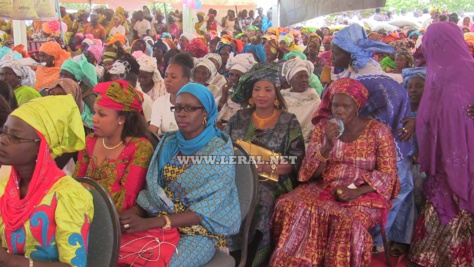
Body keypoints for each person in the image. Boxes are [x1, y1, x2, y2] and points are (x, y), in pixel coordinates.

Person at [270, 78, 399, 266]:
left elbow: (389, 174)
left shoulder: (379, 131)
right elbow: (310, 172)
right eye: (335, 105)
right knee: (288, 204)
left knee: (348, 221)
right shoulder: (324, 128)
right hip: (325, 184)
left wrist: (356, 191)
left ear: (357, 106)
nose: (339, 110)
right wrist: (328, 145)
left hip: (365, 191)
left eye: (346, 106)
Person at [119, 83, 241, 266]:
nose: (181, 113)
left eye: (190, 108)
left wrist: (151, 223)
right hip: (157, 219)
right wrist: (132, 215)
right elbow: (153, 190)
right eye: (178, 107)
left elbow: (205, 210)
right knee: (110, 248)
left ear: (205, 112)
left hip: (200, 232)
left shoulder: (219, 151)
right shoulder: (169, 142)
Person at [328, 23, 415, 250]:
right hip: (388, 152)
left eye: (335, 52)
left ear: (349, 53)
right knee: (399, 190)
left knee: (391, 191)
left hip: (378, 154)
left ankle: (374, 241)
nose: (331, 56)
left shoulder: (363, 82)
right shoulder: (370, 73)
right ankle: (379, 240)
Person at [225, 63, 305, 266]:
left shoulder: (289, 121)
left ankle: (253, 256)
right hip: (236, 176)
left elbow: (296, 158)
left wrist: (264, 168)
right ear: (251, 93)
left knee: (261, 200)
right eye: (257, 89)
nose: (262, 94)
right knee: (225, 195)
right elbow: (223, 149)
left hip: (274, 181)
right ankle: (230, 252)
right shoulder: (238, 118)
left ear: (276, 93)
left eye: (268, 89)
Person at [408, 22, 474, 267]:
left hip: (465, 151)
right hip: (443, 153)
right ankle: (437, 255)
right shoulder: (437, 72)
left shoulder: (469, 69)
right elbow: (430, 113)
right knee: (440, 197)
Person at [0, 95, 93, 266]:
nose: (3, 141)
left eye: (15, 137)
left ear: (41, 146)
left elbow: (74, 265)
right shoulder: (5, 188)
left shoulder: (68, 195)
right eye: (4, 132)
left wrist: (12, 261)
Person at [73, 80, 154, 213]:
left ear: (121, 119)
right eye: (95, 112)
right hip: (78, 212)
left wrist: (88, 191)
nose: (94, 119)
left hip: (112, 220)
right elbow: (76, 182)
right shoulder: (90, 141)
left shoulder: (140, 148)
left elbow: (126, 201)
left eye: (102, 114)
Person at [280, 58, 321, 147]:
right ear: (290, 80)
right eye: (299, 77)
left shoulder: (314, 98)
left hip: (306, 144)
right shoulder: (282, 97)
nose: (304, 80)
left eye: (306, 76)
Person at [149, 53, 192, 136]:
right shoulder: (159, 103)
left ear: (185, 80)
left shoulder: (195, 104)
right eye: (166, 76)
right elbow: (152, 132)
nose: (167, 80)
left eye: (173, 77)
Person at [217, 53, 256, 128]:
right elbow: (215, 113)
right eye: (231, 74)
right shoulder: (226, 88)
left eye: (238, 75)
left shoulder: (250, 93)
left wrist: (224, 126)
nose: (233, 78)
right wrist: (224, 96)